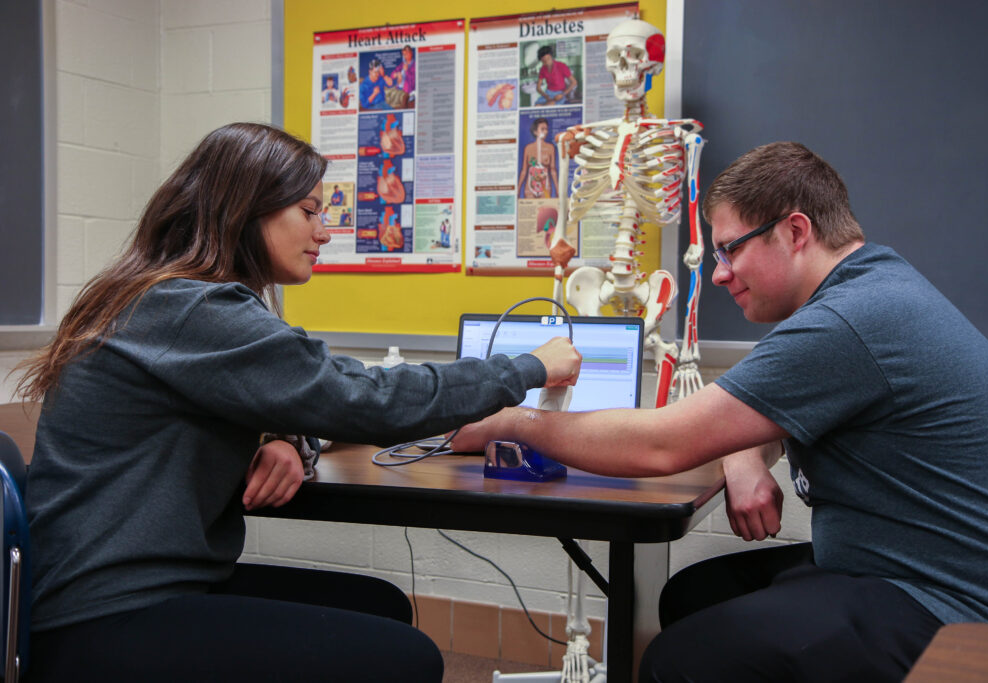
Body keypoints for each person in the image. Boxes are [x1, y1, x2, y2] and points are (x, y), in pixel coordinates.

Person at [15, 122, 581, 683]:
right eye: (309, 211)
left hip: (135, 587)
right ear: (246, 209)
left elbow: (295, 397)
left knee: (379, 604)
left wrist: (284, 438)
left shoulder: (164, 295)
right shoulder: (193, 309)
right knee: (410, 658)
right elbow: (364, 400)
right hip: (104, 615)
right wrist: (529, 367)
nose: (324, 231)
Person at [452, 141, 988, 681]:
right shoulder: (873, 288)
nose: (719, 272)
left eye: (730, 249)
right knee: (690, 596)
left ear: (795, 231)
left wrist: (509, 421)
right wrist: (745, 454)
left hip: (957, 604)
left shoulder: (847, 320)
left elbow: (663, 443)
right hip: (914, 570)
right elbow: (773, 406)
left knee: (676, 661)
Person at [516, 117, 557, 199]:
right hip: (530, 186)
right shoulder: (528, 148)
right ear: (535, 132)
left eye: (546, 129)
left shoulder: (550, 148)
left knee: (545, 210)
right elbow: (524, 170)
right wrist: (518, 189)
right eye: (542, 129)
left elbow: (553, 170)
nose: (545, 132)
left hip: (545, 185)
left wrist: (557, 189)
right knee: (530, 209)